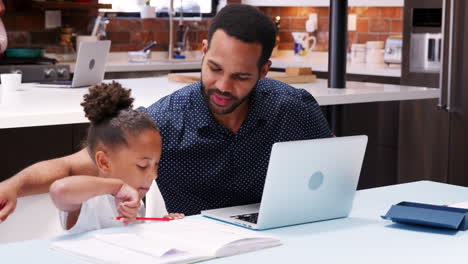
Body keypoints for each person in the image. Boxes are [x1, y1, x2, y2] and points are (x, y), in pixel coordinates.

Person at [0, 4, 332, 222]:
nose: (222, 86)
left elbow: (333, 177)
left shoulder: (294, 109)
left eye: (241, 76)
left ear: (264, 71)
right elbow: (73, 166)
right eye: (214, 68)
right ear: (203, 52)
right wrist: (13, 186)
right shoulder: (165, 121)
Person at [49, 82, 183, 233]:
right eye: (142, 166)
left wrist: (164, 226)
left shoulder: (135, 202)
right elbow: (60, 190)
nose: (154, 175)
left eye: (156, 165)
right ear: (104, 162)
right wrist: (117, 187)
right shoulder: (89, 200)